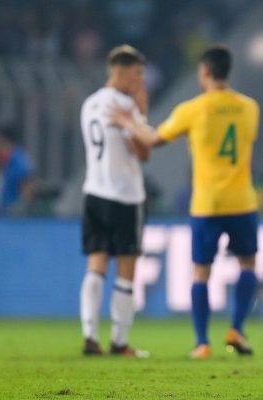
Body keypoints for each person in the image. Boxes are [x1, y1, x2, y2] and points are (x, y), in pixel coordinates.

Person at [111, 44, 261, 359]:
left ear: (204, 72)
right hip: (242, 200)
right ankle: (237, 329)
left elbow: (153, 139)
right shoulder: (249, 107)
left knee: (201, 272)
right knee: (247, 264)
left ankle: (202, 342)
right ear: (227, 71)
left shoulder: (193, 109)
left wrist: (127, 122)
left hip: (207, 203)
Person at [79, 45, 150, 357]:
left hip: (94, 192)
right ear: (120, 72)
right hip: (124, 196)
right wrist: (139, 118)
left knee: (95, 264)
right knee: (126, 267)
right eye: (136, 75)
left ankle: (89, 336)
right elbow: (144, 152)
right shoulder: (125, 105)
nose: (139, 82)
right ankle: (119, 342)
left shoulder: (90, 103)